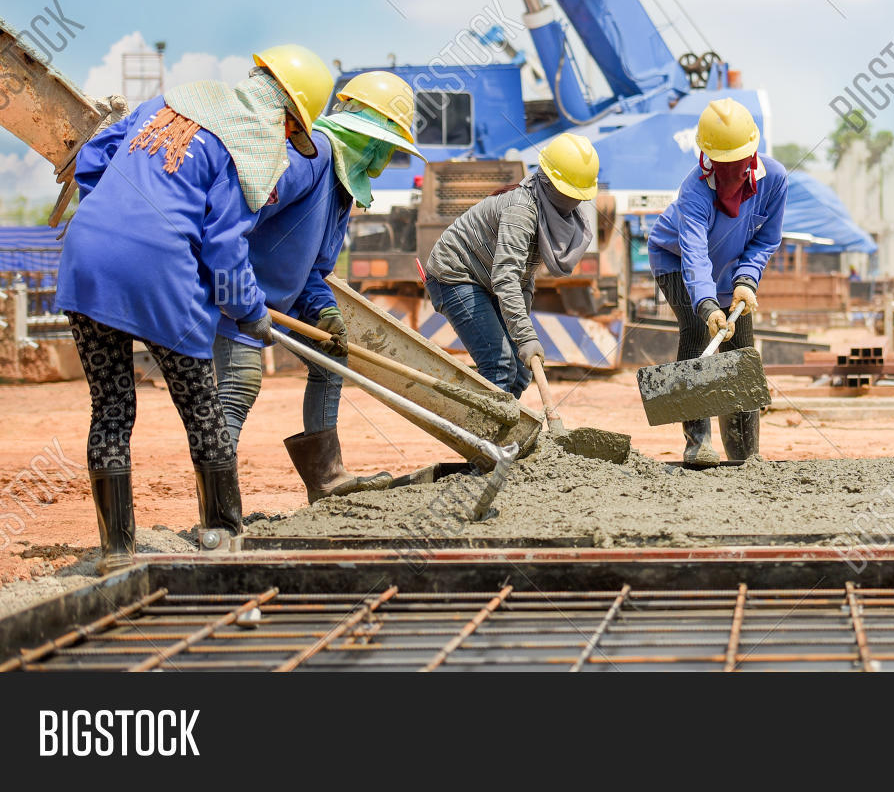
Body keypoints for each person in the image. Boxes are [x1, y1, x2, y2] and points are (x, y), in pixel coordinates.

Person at [56, 46, 334, 571]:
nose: (284, 141)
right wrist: (250, 311)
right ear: (284, 114)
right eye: (290, 131)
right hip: (159, 271)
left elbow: (93, 159)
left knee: (111, 407)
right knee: (202, 408)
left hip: (86, 254)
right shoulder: (241, 146)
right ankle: (223, 536)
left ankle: (117, 552)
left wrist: (116, 220)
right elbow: (224, 249)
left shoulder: (164, 105)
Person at [212, 69, 424, 502]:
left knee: (330, 359)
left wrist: (324, 311)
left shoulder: (344, 187)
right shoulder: (311, 157)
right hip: (234, 294)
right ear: (368, 135)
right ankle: (217, 507)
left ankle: (327, 479)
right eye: (385, 145)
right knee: (239, 384)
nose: (385, 158)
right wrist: (241, 298)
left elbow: (312, 269)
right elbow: (235, 223)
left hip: (278, 302)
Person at [648, 98, 786, 466]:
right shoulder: (694, 189)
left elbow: (766, 239)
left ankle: (745, 453)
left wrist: (746, 280)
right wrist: (708, 305)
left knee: (740, 348)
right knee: (697, 330)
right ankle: (698, 443)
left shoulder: (774, 179)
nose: (731, 170)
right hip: (675, 261)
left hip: (731, 267)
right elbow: (694, 253)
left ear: (752, 151)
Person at [424, 133, 598, 414]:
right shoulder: (522, 210)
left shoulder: (548, 215)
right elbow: (506, 277)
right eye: (568, 192)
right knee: (500, 364)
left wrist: (521, 334)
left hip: (488, 277)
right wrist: (526, 337)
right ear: (548, 182)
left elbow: (523, 277)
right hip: (455, 274)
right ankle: (481, 438)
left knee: (520, 371)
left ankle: (502, 425)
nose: (572, 202)